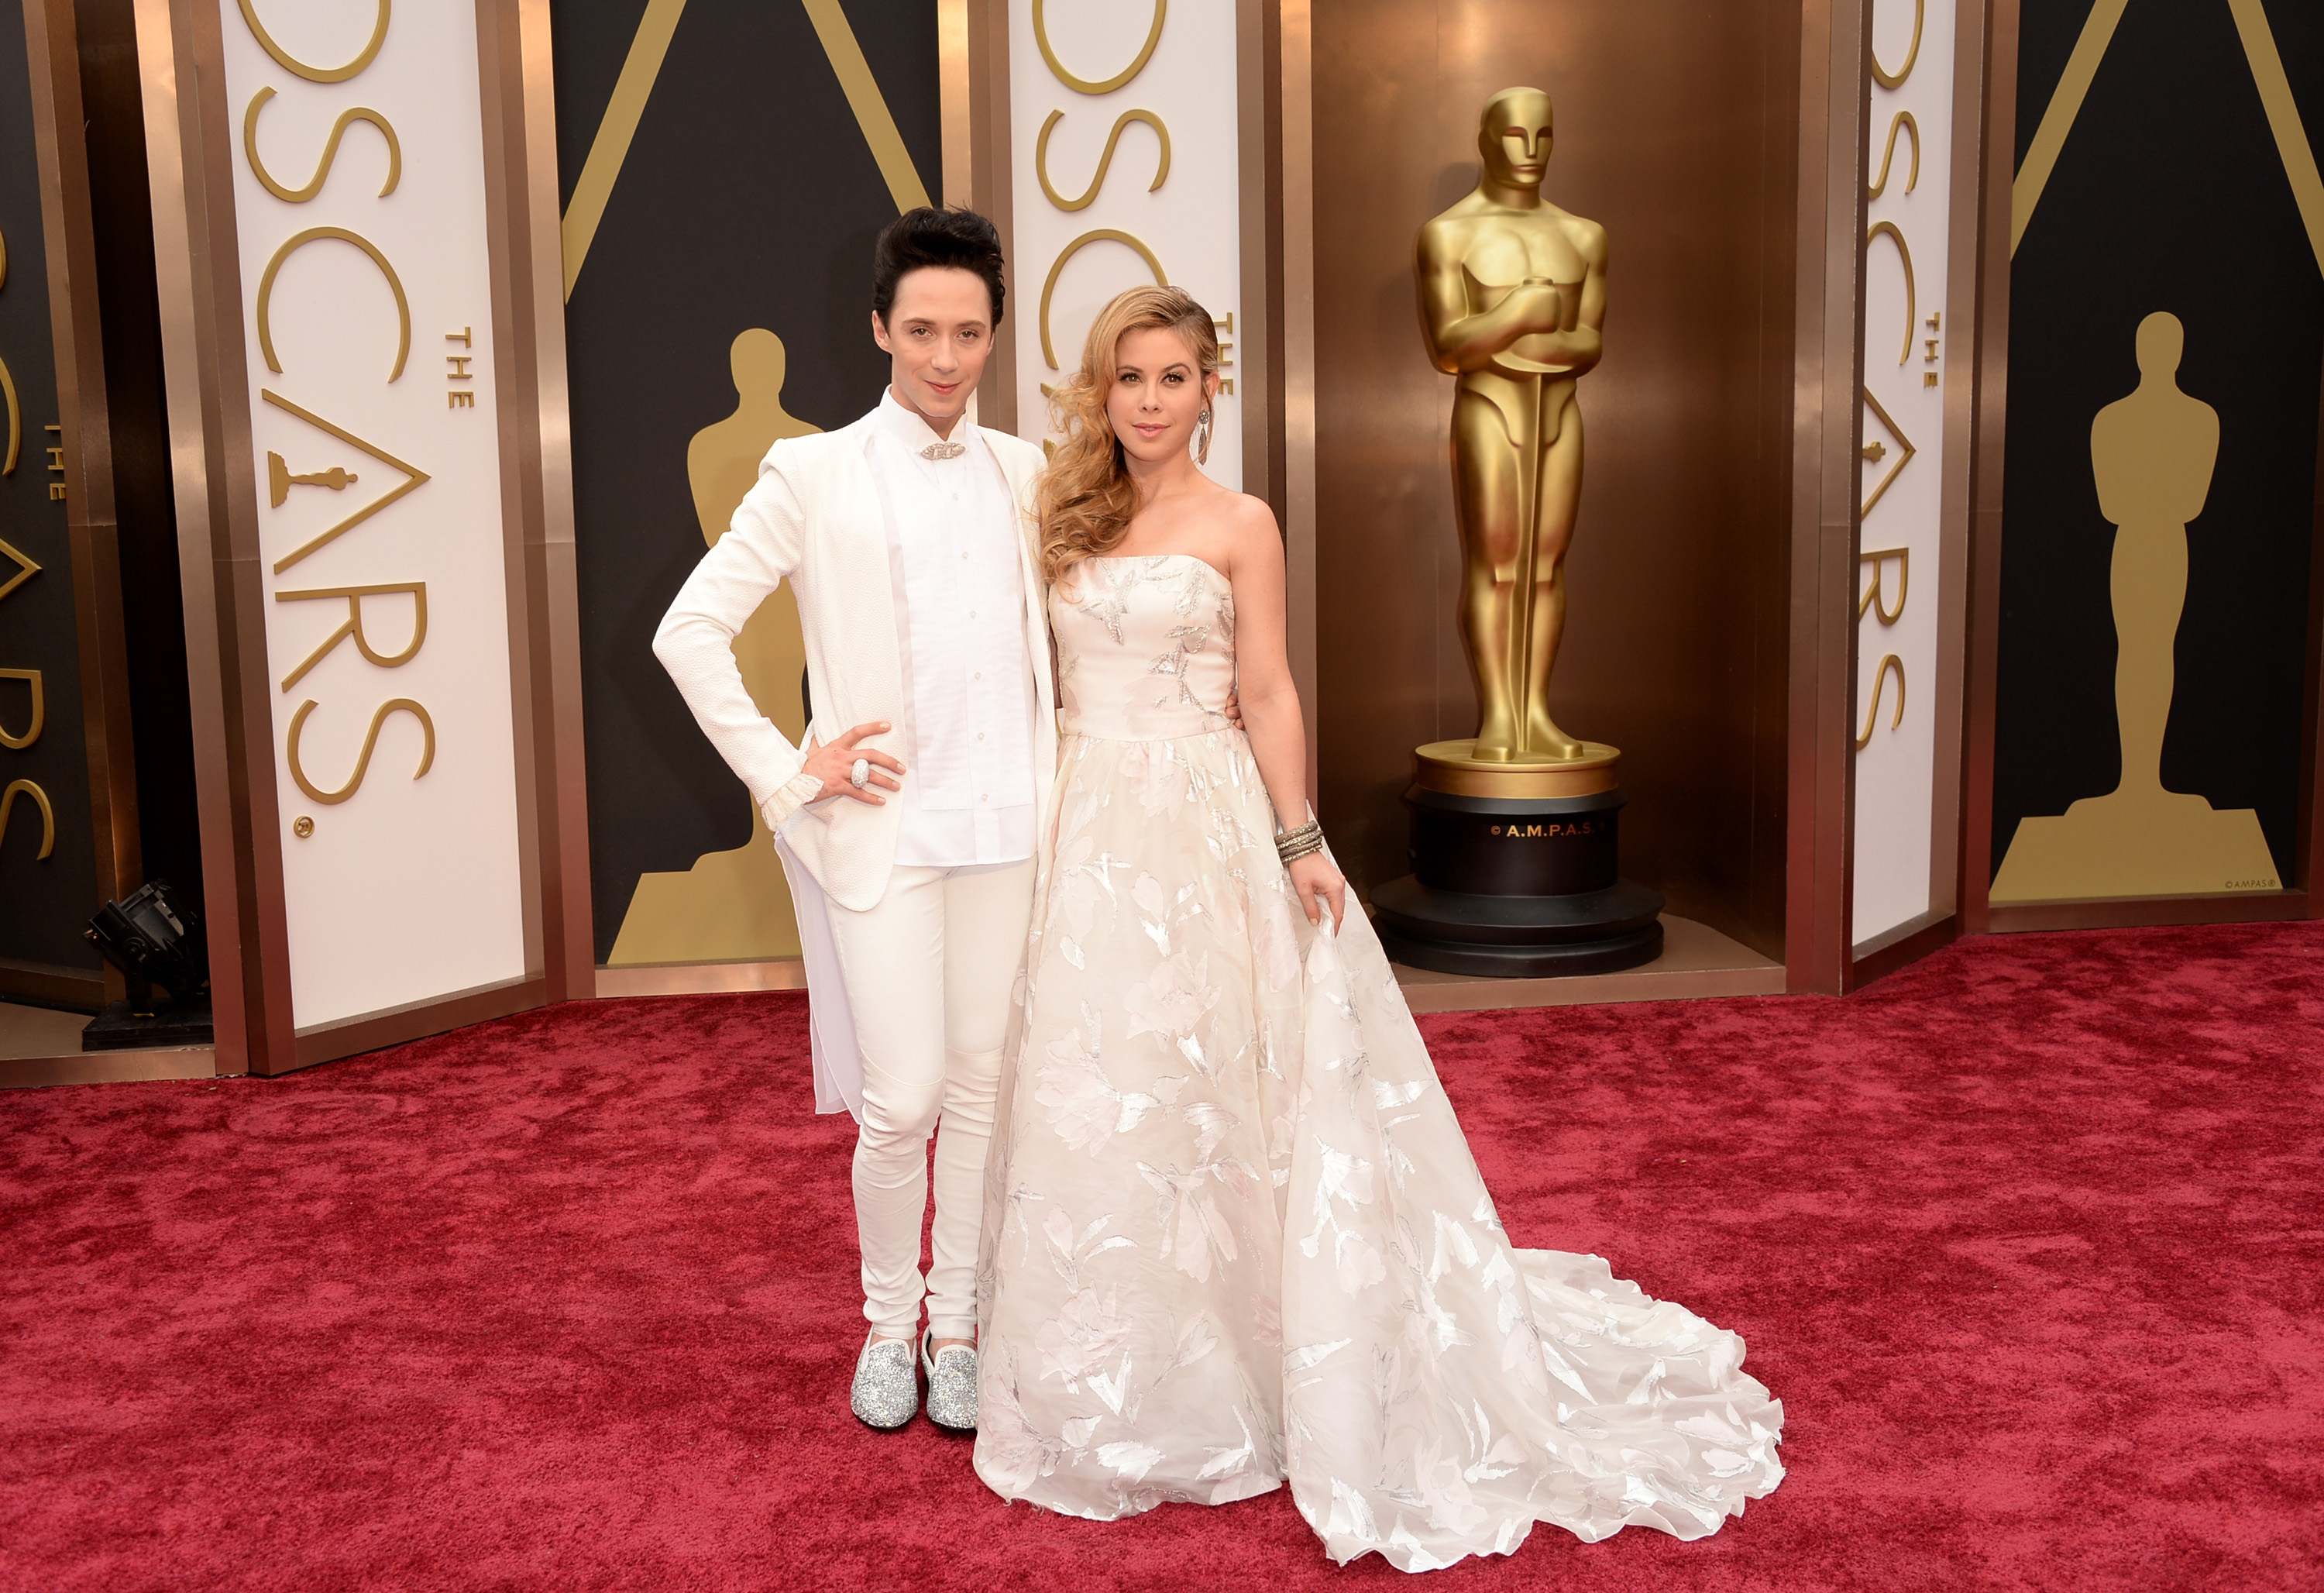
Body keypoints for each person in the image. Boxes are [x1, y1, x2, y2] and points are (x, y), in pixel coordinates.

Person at [972, 285, 1785, 1571]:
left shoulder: (1243, 522)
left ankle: (1252, 1350)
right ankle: (1111, 1364)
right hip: (1083, 832)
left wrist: (1299, 840)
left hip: (1203, 823)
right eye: (1127, 377)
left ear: (1208, 391)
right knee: (1105, 1089)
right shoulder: (1056, 512)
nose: (1146, 400)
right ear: (1101, 386)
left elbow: (1270, 688)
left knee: (1227, 1084)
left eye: (1173, 378)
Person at [654, 207, 1047, 1434]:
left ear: (993, 337)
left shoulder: (1028, 473)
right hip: (886, 834)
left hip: (1011, 828)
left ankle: (962, 1327)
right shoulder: (812, 472)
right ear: (878, 328)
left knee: (986, 1084)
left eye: (969, 333)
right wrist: (787, 772)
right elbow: (688, 630)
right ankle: (887, 1327)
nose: (944, 357)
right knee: (907, 1097)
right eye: (921, 330)